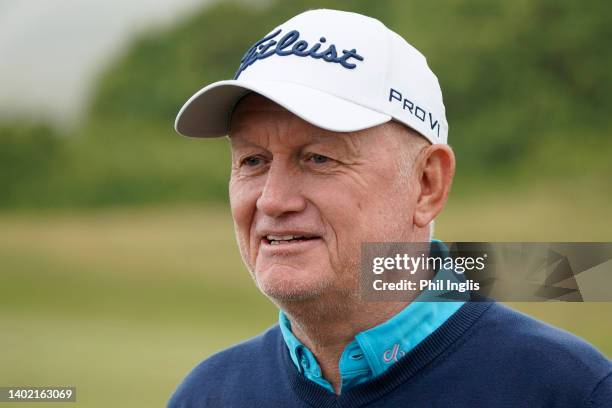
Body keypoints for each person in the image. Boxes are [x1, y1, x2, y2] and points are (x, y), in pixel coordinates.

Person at [167, 9, 611, 407]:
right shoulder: (206, 395)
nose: (273, 200)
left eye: (319, 158)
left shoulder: (570, 390)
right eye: (252, 161)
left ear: (426, 185)